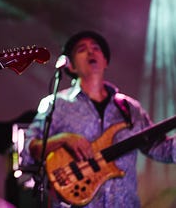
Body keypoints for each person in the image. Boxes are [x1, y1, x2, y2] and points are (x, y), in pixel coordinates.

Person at [22, 30, 176, 207]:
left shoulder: (130, 108)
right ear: (71, 66)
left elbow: (161, 149)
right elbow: (28, 149)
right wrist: (63, 139)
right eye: (82, 49)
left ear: (105, 62)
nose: (91, 52)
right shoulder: (55, 104)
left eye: (96, 48)